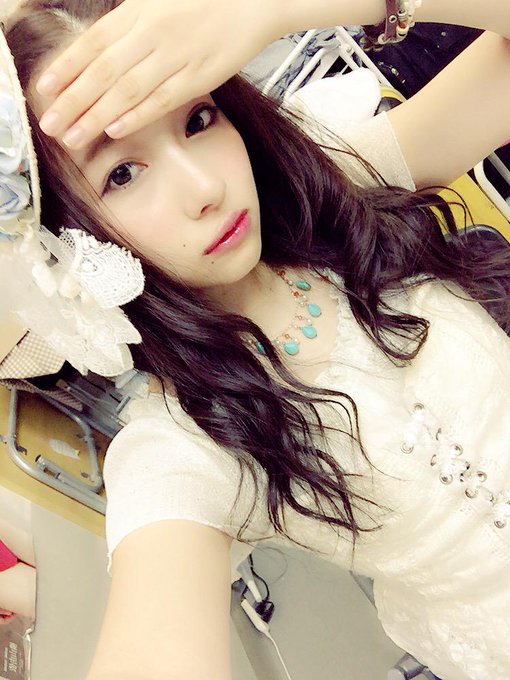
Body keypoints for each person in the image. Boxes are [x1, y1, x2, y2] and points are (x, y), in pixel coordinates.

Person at [3, 1, 510, 678]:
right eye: (122, 173)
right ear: (64, 241)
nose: (205, 187)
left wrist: (270, 10)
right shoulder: (184, 444)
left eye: (197, 118)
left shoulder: (332, 190)